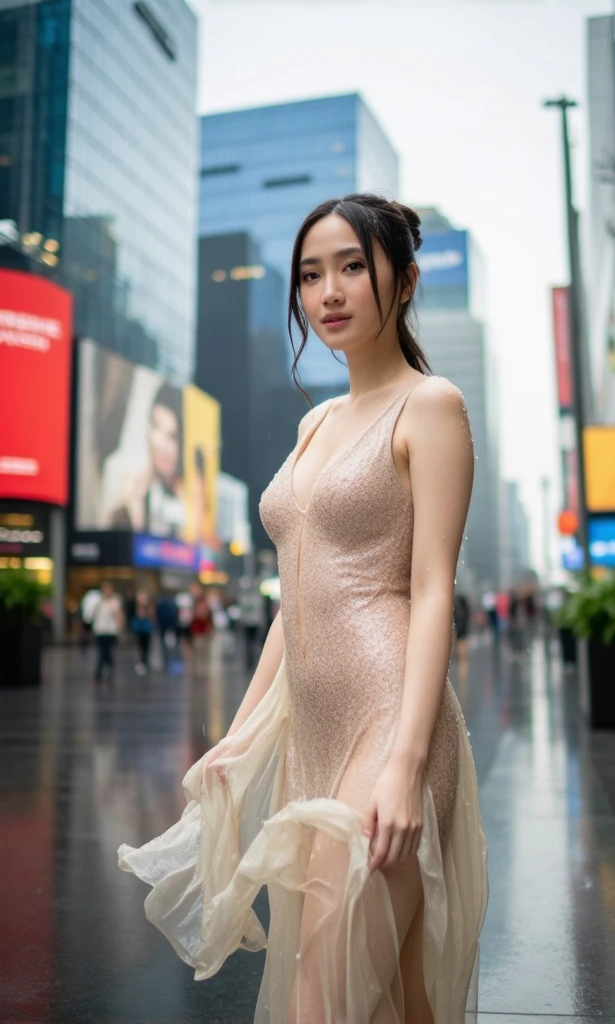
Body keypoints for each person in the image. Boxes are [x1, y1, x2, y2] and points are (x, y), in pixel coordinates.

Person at [119, 194, 488, 1021]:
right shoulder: (316, 421)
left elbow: (432, 591)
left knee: (322, 991)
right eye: (311, 274)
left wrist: (403, 760)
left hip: (391, 719)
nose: (329, 291)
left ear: (405, 279)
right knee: (397, 998)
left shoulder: (431, 407)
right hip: (313, 737)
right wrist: (239, 733)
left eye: (353, 266)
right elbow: (296, 600)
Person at [109, 383, 185, 538]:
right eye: (156, 426)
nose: (159, 443)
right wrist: (134, 513)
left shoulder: (192, 503)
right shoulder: (134, 492)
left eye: (172, 436)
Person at [91, 581, 123, 684]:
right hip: (100, 630)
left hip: (110, 631)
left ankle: (101, 674)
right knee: (102, 653)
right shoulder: (98, 601)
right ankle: (103, 674)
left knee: (106, 652)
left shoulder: (114, 601)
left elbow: (118, 615)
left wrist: (119, 628)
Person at [189, 586, 213, 677]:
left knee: (203, 651)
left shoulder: (206, 606)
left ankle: (201, 668)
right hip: (197, 632)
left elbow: (209, 619)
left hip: (204, 631)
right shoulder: (195, 605)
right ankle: (198, 668)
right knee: (198, 650)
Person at [131, 590, 154, 675]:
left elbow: (151, 617)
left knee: (146, 647)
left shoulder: (148, 607)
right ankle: (141, 662)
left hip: (146, 630)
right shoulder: (136, 607)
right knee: (140, 647)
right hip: (139, 630)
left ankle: (145, 662)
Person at [453, 592, 471, 669]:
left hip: (459, 628)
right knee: (462, 643)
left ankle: (461, 656)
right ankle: (463, 656)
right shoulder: (465, 611)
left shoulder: (457, 611)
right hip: (463, 628)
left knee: (460, 643)